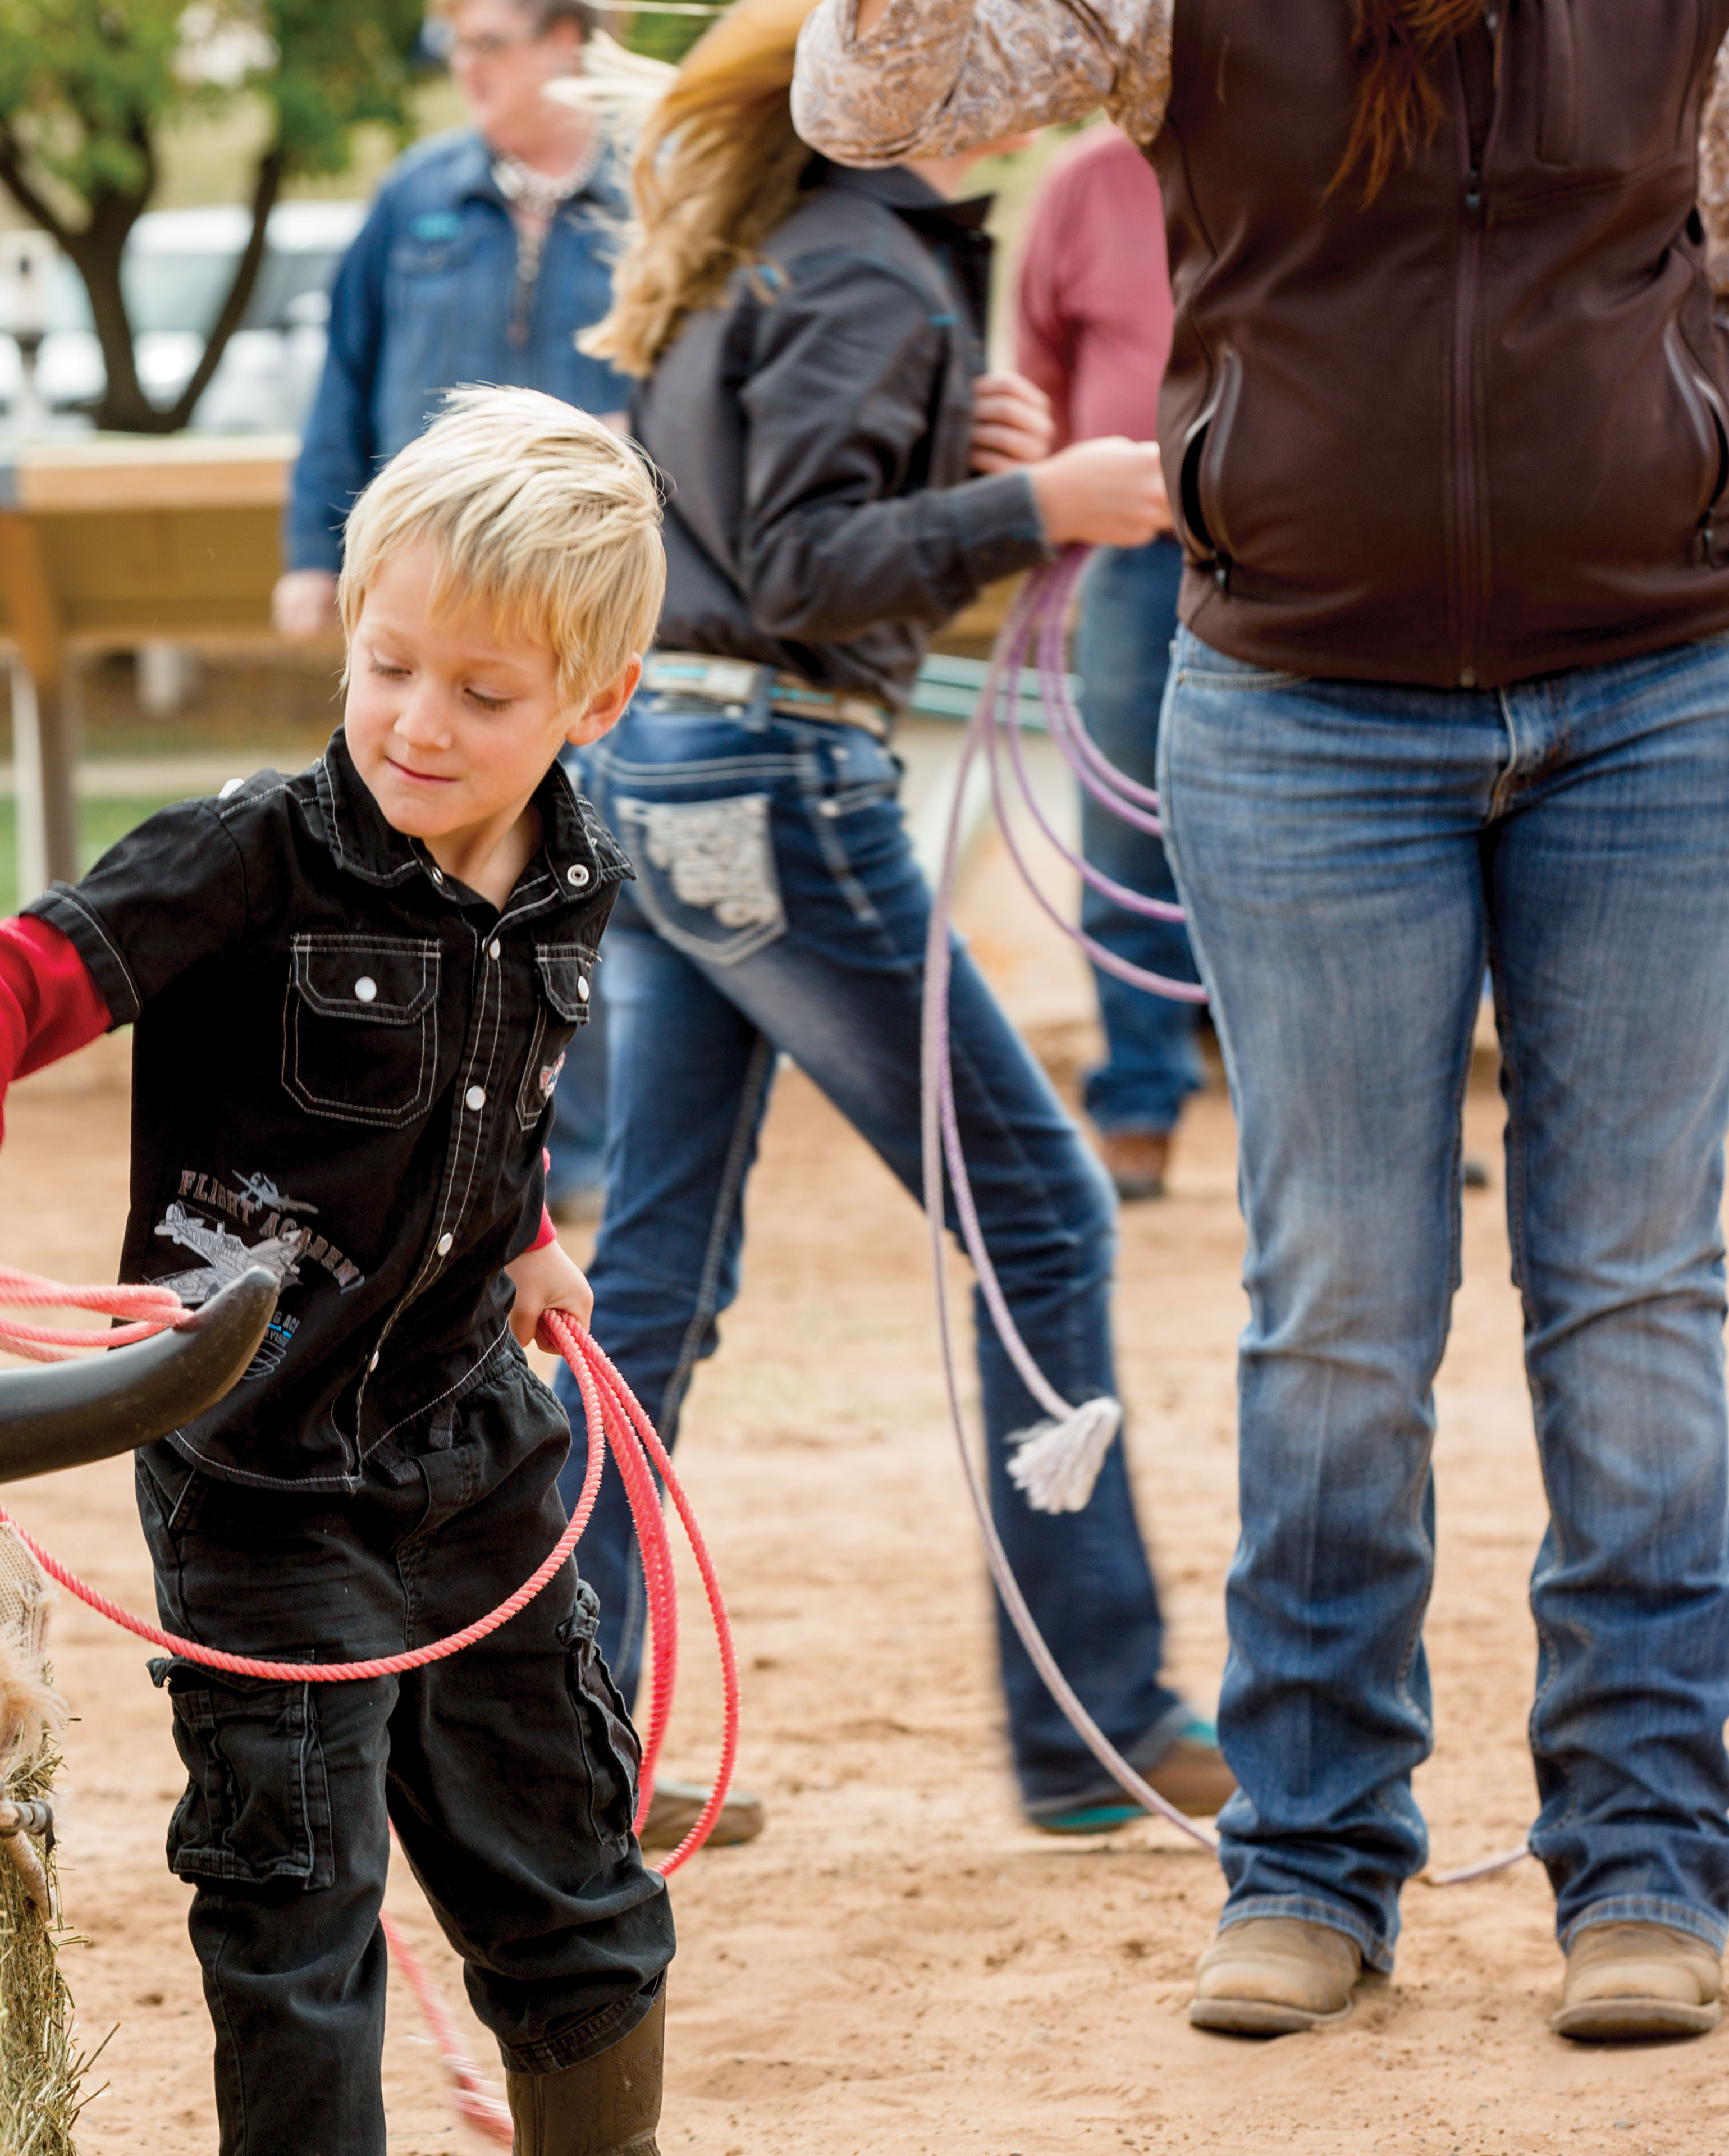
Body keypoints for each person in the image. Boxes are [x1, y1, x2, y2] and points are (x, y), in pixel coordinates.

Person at [798, 0, 1729, 2042]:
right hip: (1294, 711)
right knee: (1333, 1286)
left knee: (1626, 1289)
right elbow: (865, 107)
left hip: (1658, 703)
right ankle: (1312, 1862)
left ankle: (1643, 1866)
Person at [0, 389, 674, 2155]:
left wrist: (526, 1240)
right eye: (389, 663)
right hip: (259, 1480)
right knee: (297, 1914)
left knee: (576, 1879)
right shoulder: (248, 859)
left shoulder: (572, 882)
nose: (416, 721)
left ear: (595, 704)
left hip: (480, 1457)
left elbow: (489, 1101)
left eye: (484, 694)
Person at [547, 0, 1223, 1855]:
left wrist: (967, 470)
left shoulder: (792, 254)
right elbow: (804, 571)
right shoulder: (877, 278)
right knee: (1040, 1214)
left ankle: (555, 1755)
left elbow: (773, 534)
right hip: (781, 789)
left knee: (657, 1281)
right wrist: (1039, 496)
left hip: (666, 781)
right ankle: (1095, 1721)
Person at [278, 0, 634, 1217]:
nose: (465, 70)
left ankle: (563, 1159)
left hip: (576, 612)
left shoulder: (662, 196)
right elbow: (348, 374)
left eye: (492, 43)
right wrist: (310, 549)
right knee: (408, 877)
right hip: (431, 600)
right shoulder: (415, 196)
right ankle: (423, 1141)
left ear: (575, 39)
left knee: (571, 874)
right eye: (456, 47)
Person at [1014, 121, 1200, 1200]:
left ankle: (1382, 1111)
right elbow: (1040, 362)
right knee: (1125, 822)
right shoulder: (1085, 176)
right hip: (1131, 554)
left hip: (1303, 547)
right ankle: (1140, 1100)